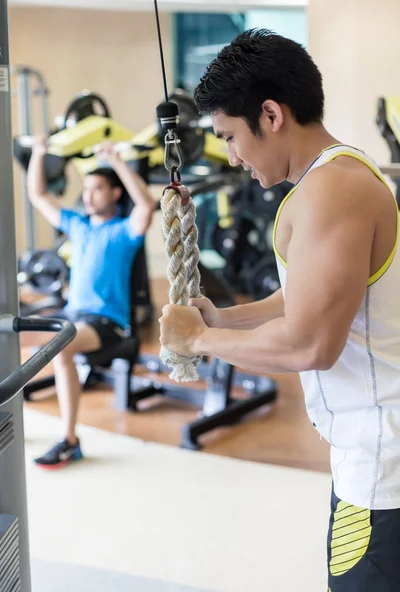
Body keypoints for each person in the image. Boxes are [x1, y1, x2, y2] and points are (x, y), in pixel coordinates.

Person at [159, 29, 400, 591]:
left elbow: (311, 344)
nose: (231, 156)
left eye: (230, 136)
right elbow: (302, 300)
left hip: (382, 462)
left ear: (270, 114)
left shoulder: (330, 192)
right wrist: (221, 319)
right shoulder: (341, 174)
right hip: (370, 449)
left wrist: (198, 342)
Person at [28, 137, 155, 469]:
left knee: (61, 347)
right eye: (86, 189)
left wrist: (115, 160)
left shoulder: (124, 231)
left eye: (97, 188)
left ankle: (70, 440)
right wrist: (39, 154)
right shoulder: (77, 224)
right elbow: (37, 195)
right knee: (14, 336)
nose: (88, 195)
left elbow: (145, 206)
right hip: (73, 315)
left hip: (107, 323)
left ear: (114, 194)